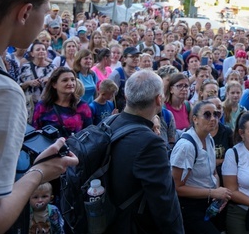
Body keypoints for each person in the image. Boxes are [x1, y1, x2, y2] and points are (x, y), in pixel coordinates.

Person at [0, 0, 78, 232]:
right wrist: (40, 172)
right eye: (47, 11)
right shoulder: (4, 92)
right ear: (25, 12)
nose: (47, 19)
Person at [104, 70, 184, 233]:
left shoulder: (108, 122)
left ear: (126, 97)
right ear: (158, 100)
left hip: (108, 218)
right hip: (131, 224)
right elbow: (164, 203)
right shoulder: (151, 143)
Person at [171, 100, 233, 234]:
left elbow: (213, 173)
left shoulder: (208, 138)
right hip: (189, 208)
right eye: (207, 115)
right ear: (195, 119)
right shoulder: (186, 146)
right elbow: (176, 187)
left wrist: (217, 193)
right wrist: (213, 192)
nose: (213, 119)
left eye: (216, 115)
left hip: (207, 203)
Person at [32, 67, 93, 137]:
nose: (70, 83)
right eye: (65, 80)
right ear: (54, 84)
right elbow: (35, 134)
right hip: (48, 147)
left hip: (74, 147)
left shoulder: (83, 107)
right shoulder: (42, 106)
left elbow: (89, 135)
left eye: (73, 80)